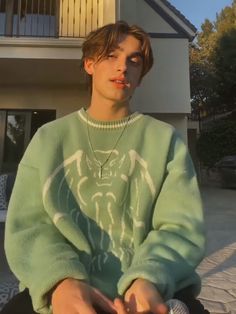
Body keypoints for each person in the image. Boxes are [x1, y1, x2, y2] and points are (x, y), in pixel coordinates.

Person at [2, 21, 208, 314]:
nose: (123, 67)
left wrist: (148, 277)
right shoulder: (49, 139)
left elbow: (181, 226)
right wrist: (60, 282)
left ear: (140, 76)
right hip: (66, 292)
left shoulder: (164, 140)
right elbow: (29, 226)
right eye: (111, 55)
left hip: (146, 292)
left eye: (133, 61)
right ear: (89, 64)